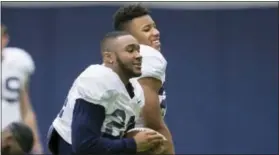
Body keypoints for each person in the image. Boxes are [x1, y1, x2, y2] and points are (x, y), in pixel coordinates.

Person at [47, 31, 165, 155]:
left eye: (138, 50)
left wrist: (146, 143)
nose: (138, 55)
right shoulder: (97, 79)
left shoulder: (136, 90)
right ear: (109, 57)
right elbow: (84, 145)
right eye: (130, 50)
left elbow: (117, 139)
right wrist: (133, 144)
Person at [113, 4, 175, 154]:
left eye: (154, 27)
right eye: (146, 30)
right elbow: (152, 120)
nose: (156, 32)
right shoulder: (146, 54)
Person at [1, 24, 43, 153]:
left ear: (5, 39)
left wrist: (35, 140)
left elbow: (25, 107)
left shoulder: (18, 62)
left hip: (12, 138)